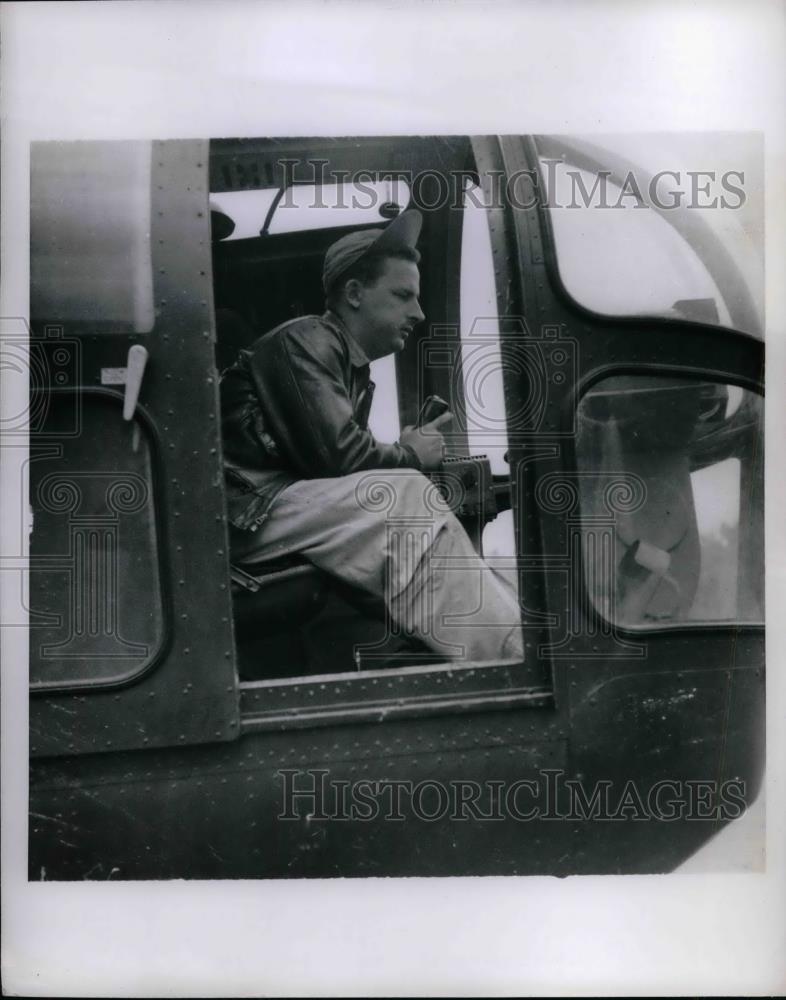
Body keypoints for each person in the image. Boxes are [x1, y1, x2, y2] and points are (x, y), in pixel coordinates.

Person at [220, 209, 523, 664]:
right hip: (242, 512)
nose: (417, 313)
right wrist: (411, 455)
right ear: (355, 294)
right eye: (403, 296)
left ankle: (496, 636)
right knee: (403, 498)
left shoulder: (348, 365)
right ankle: (515, 660)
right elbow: (340, 458)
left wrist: (403, 453)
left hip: (267, 508)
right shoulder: (307, 341)